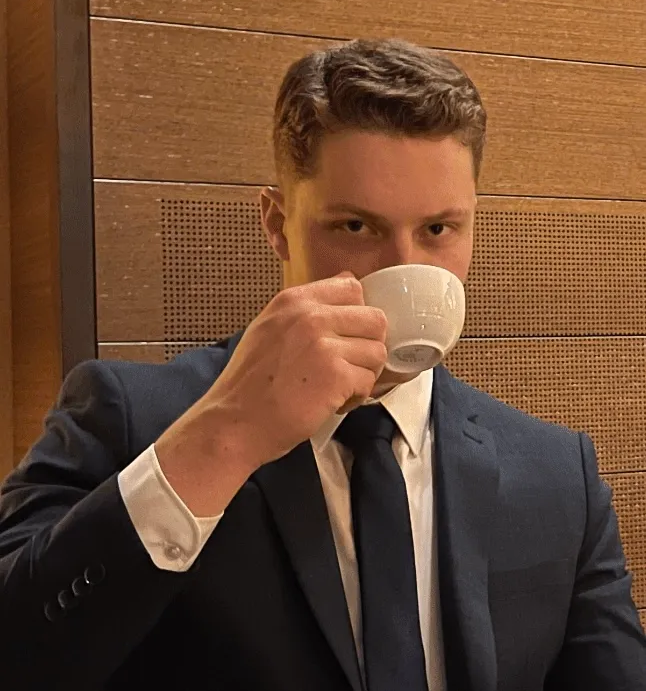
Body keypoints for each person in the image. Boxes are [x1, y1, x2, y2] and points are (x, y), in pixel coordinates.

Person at [0, 38, 644, 691]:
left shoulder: (558, 475)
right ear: (278, 223)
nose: (405, 268)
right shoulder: (129, 418)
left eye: (438, 230)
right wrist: (224, 437)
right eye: (356, 228)